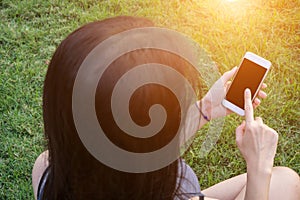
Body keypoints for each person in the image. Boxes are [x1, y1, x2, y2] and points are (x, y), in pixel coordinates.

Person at [32, 16, 299, 200]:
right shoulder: (180, 187)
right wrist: (258, 168)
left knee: (284, 180)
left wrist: (206, 109)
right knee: (285, 182)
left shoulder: (47, 170)